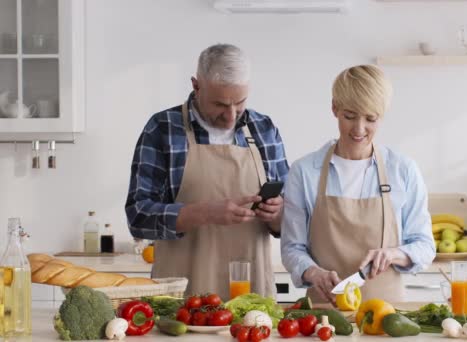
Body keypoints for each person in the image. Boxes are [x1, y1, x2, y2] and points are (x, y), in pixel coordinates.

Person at [125, 44, 289, 300]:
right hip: (181, 295)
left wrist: (278, 213)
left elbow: (288, 221)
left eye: (240, 102)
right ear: (196, 85)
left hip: (250, 294)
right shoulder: (163, 128)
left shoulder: (263, 129)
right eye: (220, 104)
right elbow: (137, 217)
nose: (231, 116)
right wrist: (204, 213)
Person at [281, 64, 435, 304]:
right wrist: (313, 272)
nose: (359, 129)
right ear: (335, 108)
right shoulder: (304, 172)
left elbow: (425, 245)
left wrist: (394, 254)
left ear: (382, 116)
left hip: (387, 316)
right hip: (323, 315)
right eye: (349, 116)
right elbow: (292, 248)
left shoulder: (402, 170)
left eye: (370, 119)